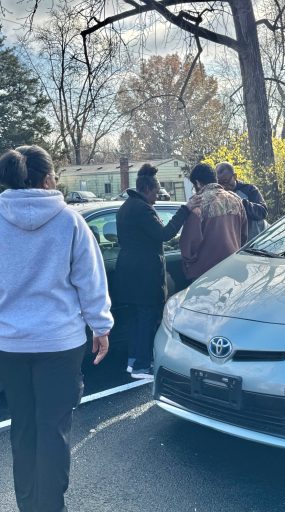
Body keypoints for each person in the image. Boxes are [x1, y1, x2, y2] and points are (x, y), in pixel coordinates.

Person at [0, 145, 113, 512]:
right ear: (49, 177)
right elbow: (90, 281)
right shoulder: (69, 221)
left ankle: (28, 505)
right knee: (54, 428)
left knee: (23, 428)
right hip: (60, 343)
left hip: (10, 343)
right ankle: (51, 507)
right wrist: (101, 326)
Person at [115, 163, 200, 381]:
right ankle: (143, 366)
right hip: (143, 274)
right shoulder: (143, 209)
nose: (157, 197)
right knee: (146, 318)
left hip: (128, 272)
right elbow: (164, 234)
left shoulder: (126, 206)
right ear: (147, 190)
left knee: (135, 319)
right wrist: (185, 209)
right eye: (155, 192)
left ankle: (133, 362)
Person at [180, 163, 248, 281]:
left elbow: (189, 245)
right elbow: (244, 235)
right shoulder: (236, 199)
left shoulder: (197, 203)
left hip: (205, 274)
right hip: (232, 270)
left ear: (197, 183)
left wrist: (188, 266)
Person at [216, 161, 268, 240]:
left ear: (235, 176)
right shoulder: (218, 195)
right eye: (220, 183)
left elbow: (262, 212)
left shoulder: (249, 189)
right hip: (236, 245)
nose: (224, 186)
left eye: (226, 181)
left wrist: (241, 203)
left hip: (258, 241)